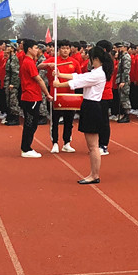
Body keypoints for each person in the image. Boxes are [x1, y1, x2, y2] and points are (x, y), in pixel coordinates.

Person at [54, 45, 112, 184]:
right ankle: (93, 174)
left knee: (93, 146)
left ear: (95, 59)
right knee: (92, 146)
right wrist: (61, 75)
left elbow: (79, 82)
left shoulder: (98, 74)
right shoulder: (96, 71)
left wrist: (59, 85)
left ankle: (94, 175)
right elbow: (79, 76)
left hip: (92, 106)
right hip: (90, 106)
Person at [39, 39, 79, 153]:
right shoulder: (54, 60)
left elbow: (79, 77)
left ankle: (67, 143)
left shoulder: (74, 62)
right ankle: (55, 143)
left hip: (69, 95)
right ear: (59, 50)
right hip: (56, 94)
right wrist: (49, 64)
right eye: (63, 48)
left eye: (67, 48)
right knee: (55, 121)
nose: (65, 50)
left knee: (69, 121)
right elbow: (39, 66)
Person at [19, 39, 51, 157]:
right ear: (29, 49)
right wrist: (47, 94)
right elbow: (39, 79)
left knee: (31, 123)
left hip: (31, 95)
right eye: (36, 48)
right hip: (31, 96)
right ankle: (26, 148)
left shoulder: (29, 61)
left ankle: (26, 147)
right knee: (30, 123)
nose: (38, 50)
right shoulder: (28, 62)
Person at [2, 42, 21, 125]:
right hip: (8, 81)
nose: (7, 48)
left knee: (13, 100)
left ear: (13, 49)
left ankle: (15, 118)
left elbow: (15, 72)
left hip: (12, 83)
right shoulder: (10, 58)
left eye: (9, 47)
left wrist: (13, 83)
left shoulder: (14, 59)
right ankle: (11, 116)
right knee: (9, 100)